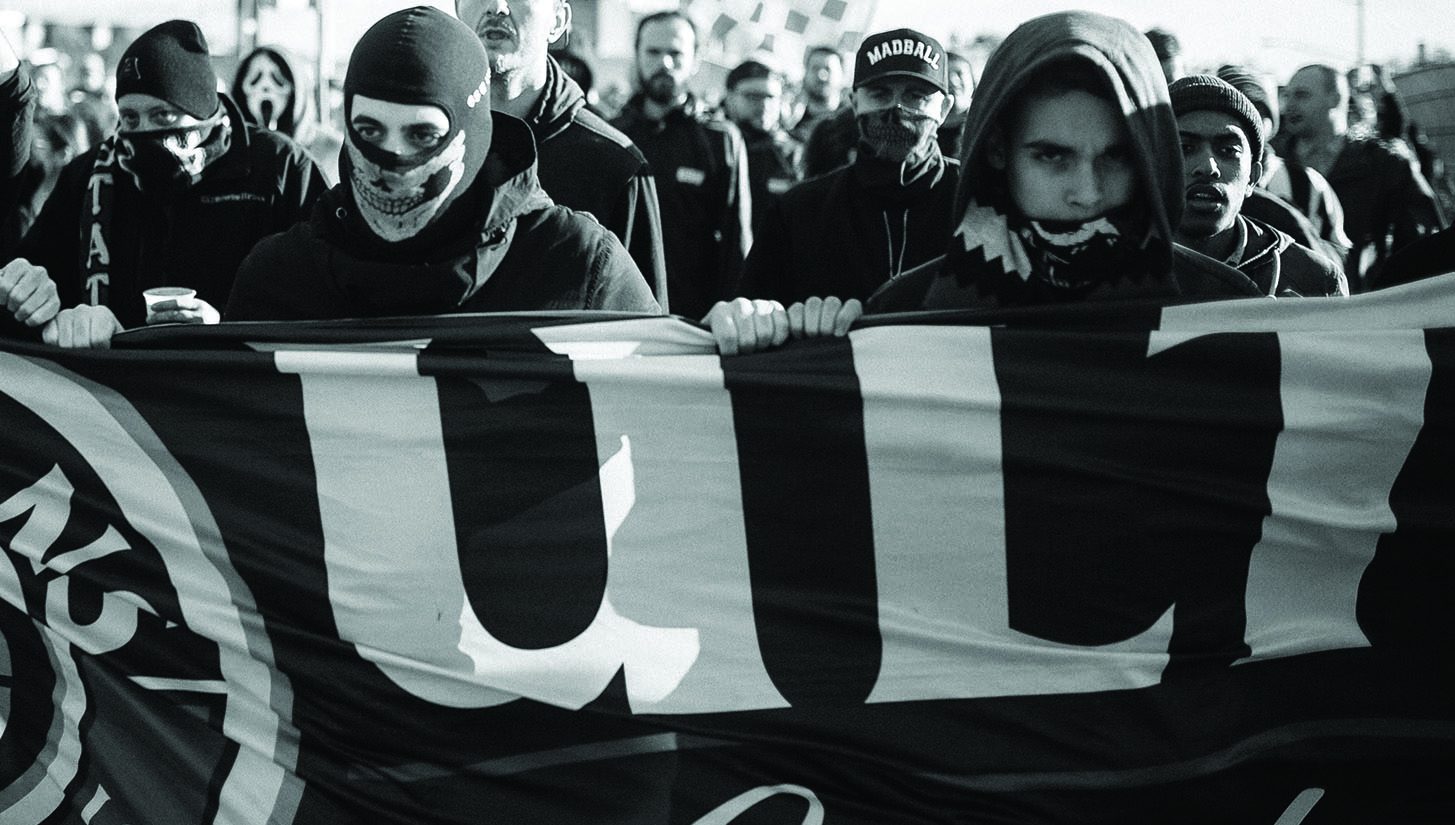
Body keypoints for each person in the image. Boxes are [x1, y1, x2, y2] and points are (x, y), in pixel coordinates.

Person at [706, 11, 1267, 354]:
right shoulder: (911, 307)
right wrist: (748, 326)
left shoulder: (1224, 311)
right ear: (999, 153)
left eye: (1118, 158)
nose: (1087, 192)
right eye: (1051, 156)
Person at [224, 6, 658, 322]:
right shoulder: (280, 277)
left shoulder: (578, 266)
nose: (393, 162)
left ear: (473, 138)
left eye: (422, 135)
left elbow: (660, 391)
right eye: (370, 131)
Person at [17, 19, 326, 348]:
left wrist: (226, 326)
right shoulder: (91, 175)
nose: (144, 131)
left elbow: (323, 295)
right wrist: (48, 305)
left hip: (240, 373)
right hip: (116, 376)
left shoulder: (280, 168)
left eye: (163, 116)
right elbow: (32, 288)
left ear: (202, 113)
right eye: (130, 117)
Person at [456, 0, 667, 308]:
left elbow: (645, 330)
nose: (496, 6)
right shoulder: (419, 143)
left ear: (558, 21)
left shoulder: (616, 165)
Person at [732, 28, 959, 307]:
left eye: (916, 96)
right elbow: (753, 312)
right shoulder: (799, 211)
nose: (896, 109)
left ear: (944, 109)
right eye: (880, 94)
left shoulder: (976, 198)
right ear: (854, 102)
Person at [612, 10, 752, 320]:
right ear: (637, 54)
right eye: (653, 52)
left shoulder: (720, 139)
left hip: (694, 321)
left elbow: (736, 242)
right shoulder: (611, 135)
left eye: (675, 53)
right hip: (618, 320)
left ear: (695, 59)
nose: (664, 63)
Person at [1168, 74, 1346, 297]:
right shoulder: (1124, 269)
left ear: (1253, 177)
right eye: (1184, 148)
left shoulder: (1315, 281)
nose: (1208, 167)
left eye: (1228, 151)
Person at [1278, 63, 1445, 289]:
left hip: (1364, 301)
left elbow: (1424, 243)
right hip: (1286, 302)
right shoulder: (1272, 162)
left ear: (1336, 98)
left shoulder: (1385, 163)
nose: (1289, 105)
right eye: (1287, 96)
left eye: (1301, 95)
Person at [1216, 64, 1351, 268]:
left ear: (1272, 120)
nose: (1245, 121)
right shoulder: (1196, 176)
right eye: (1231, 112)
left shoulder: (1309, 184)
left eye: (1257, 110)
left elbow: (1339, 264)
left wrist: (1297, 230)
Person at [231, 45, 344, 184]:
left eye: (278, 80)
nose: (266, 87)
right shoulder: (232, 152)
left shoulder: (332, 150)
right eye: (254, 79)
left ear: (295, 89)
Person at [721, 59, 801, 236]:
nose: (764, 105)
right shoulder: (711, 146)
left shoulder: (794, 155)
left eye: (770, 97)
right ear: (730, 97)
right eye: (753, 96)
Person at [788, 45, 847, 148]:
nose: (821, 76)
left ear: (842, 77)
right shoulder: (792, 123)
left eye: (828, 69)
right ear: (805, 74)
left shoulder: (851, 122)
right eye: (815, 68)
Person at [936, 51, 975, 159]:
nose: (953, 81)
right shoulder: (925, 129)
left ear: (972, 82)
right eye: (946, 74)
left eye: (959, 74)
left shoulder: (984, 127)